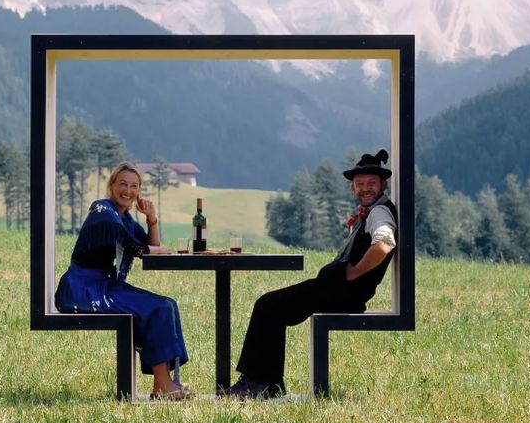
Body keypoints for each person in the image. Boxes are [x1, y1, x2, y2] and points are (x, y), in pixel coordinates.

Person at [225, 150, 398, 399]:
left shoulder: (380, 213)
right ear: (352, 187)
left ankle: (258, 383)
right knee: (272, 306)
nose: (366, 189)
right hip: (337, 289)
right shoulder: (372, 211)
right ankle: (266, 383)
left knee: (268, 305)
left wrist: (353, 272)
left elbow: (383, 245)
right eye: (360, 184)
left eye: (371, 183)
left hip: (342, 293)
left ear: (383, 184)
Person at [55, 161, 192, 399]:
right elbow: (141, 249)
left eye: (134, 186)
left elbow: (150, 245)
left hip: (107, 286)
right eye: (123, 184)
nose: (128, 191)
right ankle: (162, 385)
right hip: (84, 288)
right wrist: (156, 250)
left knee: (167, 304)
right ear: (111, 185)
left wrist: (152, 219)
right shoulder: (102, 210)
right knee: (157, 308)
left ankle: (165, 383)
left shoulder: (126, 219)